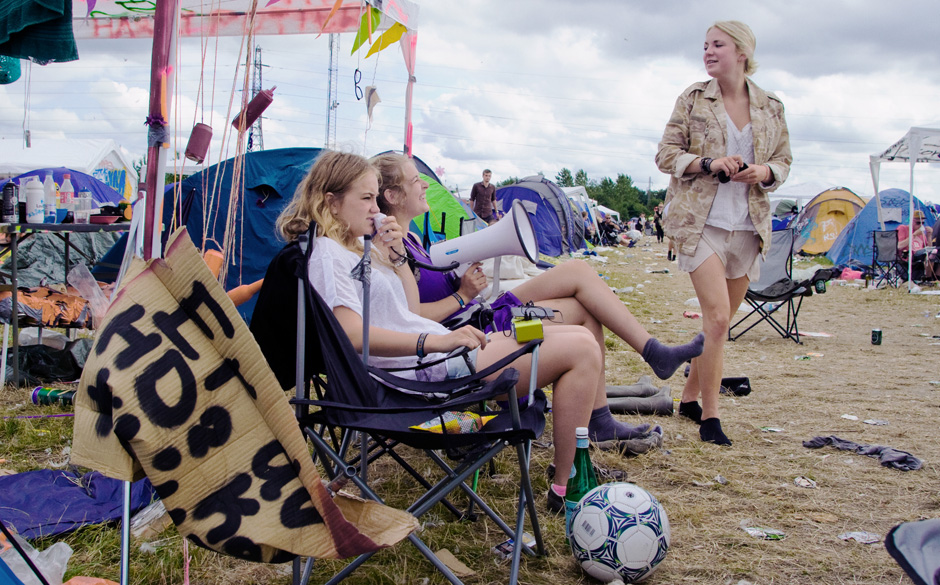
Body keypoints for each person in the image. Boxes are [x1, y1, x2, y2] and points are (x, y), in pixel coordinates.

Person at [275, 151, 659, 514]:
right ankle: (568, 486)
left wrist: (396, 258)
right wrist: (436, 339)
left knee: (581, 339)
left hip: (436, 359)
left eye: (376, 198)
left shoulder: (356, 248)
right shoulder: (327, 254)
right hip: (422, 375)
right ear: (331, 202)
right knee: (580, 349)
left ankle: (569, 477)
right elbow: (352, 336)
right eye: (367, 199)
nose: (376, 210)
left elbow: (404, 312)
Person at [371, 151, 705, 404]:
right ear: (393, 196)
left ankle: (636, 369)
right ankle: (608, 405)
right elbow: (409, 319)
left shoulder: (409, 239)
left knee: (580, 281)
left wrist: (462, 280)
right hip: (478, 332)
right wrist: (462, 294)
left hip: (479, 316)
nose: (425, 184)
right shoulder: (389, 247)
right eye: (416, 180)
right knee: (582, 302)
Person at [655, 20, 792, 446]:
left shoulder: (771, 106)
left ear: (742, 52)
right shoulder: (694, 98)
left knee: (720, 324)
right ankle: (710, 419)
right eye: (705, 46)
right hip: (701, 224)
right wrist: (709, 162)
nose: (708, 52)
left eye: (718, 45)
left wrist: (765, 171)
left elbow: (784, 161)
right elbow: (666, 155)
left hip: (748, 227)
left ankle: (690, 398)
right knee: (716, 319)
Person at [897, 210, 937, 280]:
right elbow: (899, 246)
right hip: (907, 255)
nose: (921, 225)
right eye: (918, 223)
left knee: (934, 252)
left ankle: (929, 278)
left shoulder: (921, 234)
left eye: (923, 223)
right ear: (911, 221)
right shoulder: (903, 228)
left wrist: (929, 236)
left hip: (920, 256)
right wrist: (914, 235)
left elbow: (928, 248)